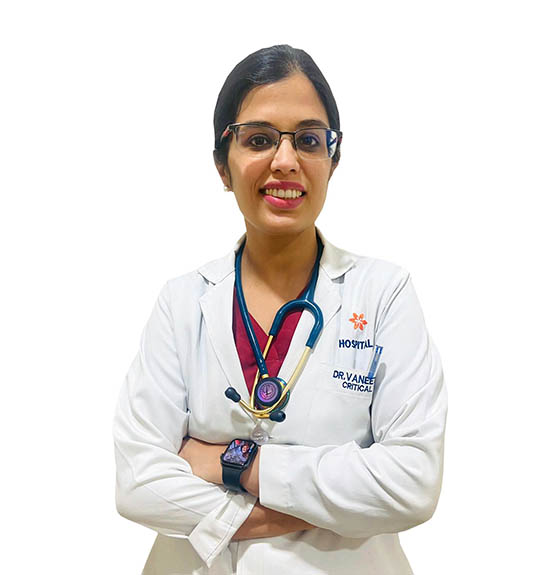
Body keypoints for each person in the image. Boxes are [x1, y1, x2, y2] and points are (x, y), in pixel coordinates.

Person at [113, 44, 447, 575]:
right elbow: (137, 483)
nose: (286, 161)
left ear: (333, 161)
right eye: (259, 139)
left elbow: (412, 482)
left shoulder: (384, 295)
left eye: (309, 140)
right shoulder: (182, 303)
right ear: (223, 166)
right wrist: (325, 503)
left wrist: (237, 464)